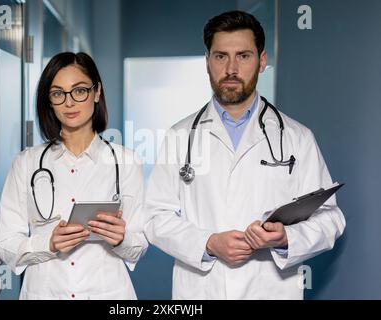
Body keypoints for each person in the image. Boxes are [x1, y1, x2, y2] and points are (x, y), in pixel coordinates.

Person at [144, 10, 345, 299]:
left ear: (262, 61)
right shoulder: (180, 136)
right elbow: (154, 217)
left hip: (270, 289)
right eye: (220, 56)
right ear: (207, 62)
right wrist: (208, 243)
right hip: (202, 291)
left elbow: (330, 217)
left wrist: (287, 238)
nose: (231, 68)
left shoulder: (297, 137)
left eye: (244, 56)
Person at [0, 52, 148, 300]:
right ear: (49, 101)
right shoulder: (27, 163)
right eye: (58, 93)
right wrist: (48, 244)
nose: (69, 102)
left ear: (96, 92)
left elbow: (139, 247)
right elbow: (5, 244)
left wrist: (122, 238)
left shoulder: (127, 162)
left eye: (79, 91)